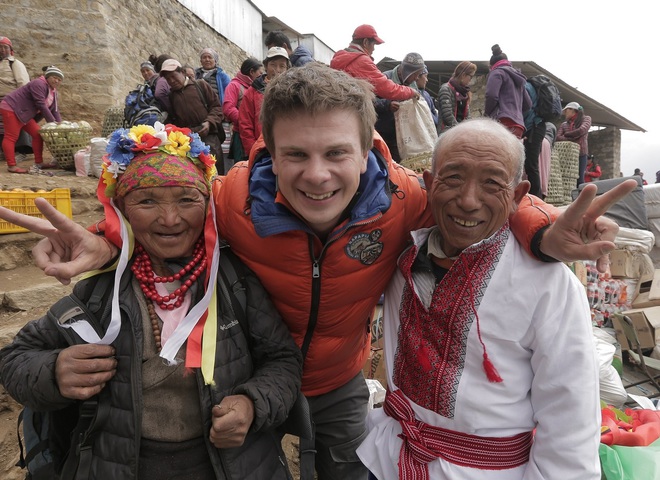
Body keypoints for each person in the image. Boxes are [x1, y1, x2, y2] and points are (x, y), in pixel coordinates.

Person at [0, 64, 636, 480]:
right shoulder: (232, 199)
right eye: (295, 155)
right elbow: (170, 216)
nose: (317, 173)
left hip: (336, 385)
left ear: (370, 153)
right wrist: (109, 238)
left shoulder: (403, 201)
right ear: (266, 153)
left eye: (337, 153)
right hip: (239, 381)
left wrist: (544, 231)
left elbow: (476, 199)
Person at [0, 124, 302, 479]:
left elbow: (283, 361)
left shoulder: (234, 282)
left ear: (206, 205)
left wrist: (252, 403)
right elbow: (16, 358)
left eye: (187, 199)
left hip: (232, 465)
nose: (170, 219)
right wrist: (55, 371)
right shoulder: (102, 290)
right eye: (147, 201)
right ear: (123, 209)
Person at [357, 118, 601, 480]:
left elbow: (571, 417)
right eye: (453, 177)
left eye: (492, 183)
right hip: (389, 455)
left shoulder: (550, 284)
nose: (468, 201)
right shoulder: (399, 251)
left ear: (518, 196)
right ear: (429, 184)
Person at [159, 59, 226, 173]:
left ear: (183, 73)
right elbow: (173, 119)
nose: (171, 81)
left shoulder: (201, 85)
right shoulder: (171, 96)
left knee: (215, 174)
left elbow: (217, 107)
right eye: (168, 79)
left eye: (173, 76)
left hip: (209, 138)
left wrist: (209, 122)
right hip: (188, 141)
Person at [330, 24, 418, 102]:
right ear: (365, 42)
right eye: (374, 44)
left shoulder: (339, 57)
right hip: (352, 112)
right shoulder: (361, 61)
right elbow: (387, 88)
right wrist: (411, 92)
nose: (374, 49)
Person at [0, 65, 63, 174]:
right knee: (11, 136)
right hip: (12, 107)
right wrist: (52, 124)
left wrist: (61, 126)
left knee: (38, 134)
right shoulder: (38, 83)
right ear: (47, 76)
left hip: (23, 112)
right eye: (54, 77)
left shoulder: (53, 92)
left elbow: (55, 110)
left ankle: (39, 162)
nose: (56, 81)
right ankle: (12, 166)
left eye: (59, 79)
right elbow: (41, 104)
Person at [238, 46, 289, 158]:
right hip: (261, 151)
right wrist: (254, 151)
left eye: (282, 66)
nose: (278, 69)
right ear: (266, 66)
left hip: (286, 150)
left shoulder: (292, 91)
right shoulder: (253, 91)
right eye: (273, 64)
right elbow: (245, 124)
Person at [374, 52, 426, 162]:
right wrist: (387, 105)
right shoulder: (384, 78)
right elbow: (370, 101)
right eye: (415, 74)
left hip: (403, 136)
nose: (417, 78)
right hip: (383, 134)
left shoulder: (412, 84)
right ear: (408, 71)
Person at [484, 44, 531, 139]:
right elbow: (528, 104)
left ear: (492, 65)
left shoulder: (497, 73)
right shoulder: (518, 77)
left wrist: (487, 114)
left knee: (495, 153)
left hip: (502, 122)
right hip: (518, 126)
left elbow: (491, 95)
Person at [223, 57, 263, 164]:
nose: (262, 76)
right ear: (251, 72)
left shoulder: (256, 88)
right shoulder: (234, 86)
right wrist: (245, 120)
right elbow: (228, 108)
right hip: (240, 134)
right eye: (260, 73)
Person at [0, 36, 30, 163]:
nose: (2, 50)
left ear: (10, 49)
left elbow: (23, 83)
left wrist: (20, 103)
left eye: (5, 47)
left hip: (12, 100)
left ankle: (20, 150)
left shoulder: (15, 64)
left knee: (16, 122)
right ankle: (4, 150)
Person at [557, 101, 591, 186]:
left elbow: (582, 130)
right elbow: (558, 137)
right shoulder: (564, 124)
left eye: (566, 111)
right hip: (567, 155)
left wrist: (567, 135)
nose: (565, 113)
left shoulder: (586, 119)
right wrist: (573, 138)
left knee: (580, 179)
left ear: (573, 110)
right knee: (566, 178)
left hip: (581, 153)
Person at [522, 78, 546, 197]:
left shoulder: (526, 87)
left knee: (531, 164)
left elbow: (526, 108)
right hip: (538, 127)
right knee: (532, 164)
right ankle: (536, 195)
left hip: (533, 127)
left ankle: (536, 197)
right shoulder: (533, 88)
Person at [438, 61, 476, 133]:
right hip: (447, 133)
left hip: (460, 132)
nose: (470, 80)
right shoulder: (446, 89)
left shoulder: (464, 93)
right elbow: (447, 115)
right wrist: (459, 132)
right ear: (463, 75)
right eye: (471, 77)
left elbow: (467, 115)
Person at [538, 121, 557, 198]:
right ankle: (541, 193)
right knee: (543, 171)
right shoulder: (551, 126)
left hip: (540, 142)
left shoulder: (548, 126)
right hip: (546, 144)